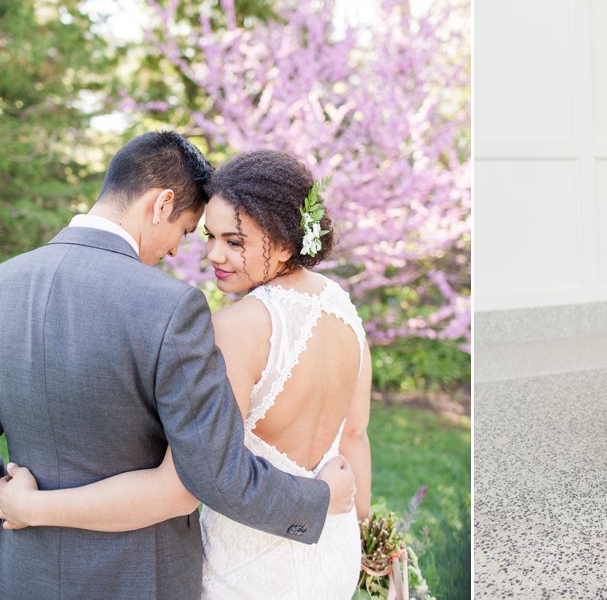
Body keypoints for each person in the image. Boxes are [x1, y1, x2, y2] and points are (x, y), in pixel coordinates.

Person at [0, 136, 357, 599]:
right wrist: (319, 499)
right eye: (189, 231)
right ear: (162, 203)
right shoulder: (170, 307)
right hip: (141, 577)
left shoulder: (5, 284)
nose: (177, 252)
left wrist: (13, 500)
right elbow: (207, 474)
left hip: (24, 572)